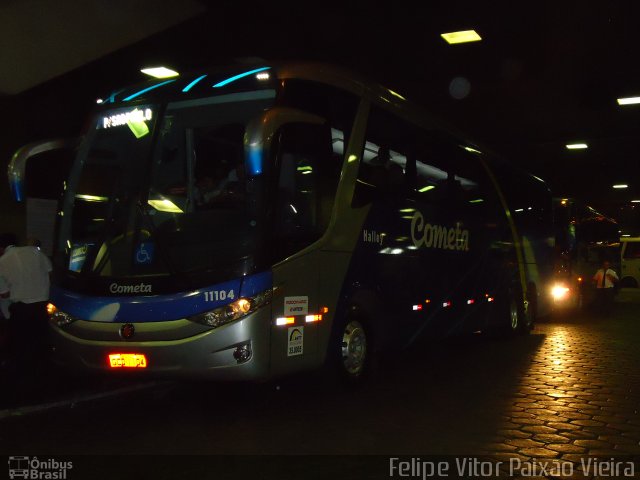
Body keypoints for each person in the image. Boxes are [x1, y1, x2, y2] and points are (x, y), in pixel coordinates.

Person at [0, 233, 53, 376]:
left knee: (20, 340)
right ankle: (42, 370)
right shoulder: (35, 252)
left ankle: (22, 373)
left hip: (22, 308)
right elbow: (49, 272)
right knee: (39, 338)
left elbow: (4, 294)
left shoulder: (2, 262)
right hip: (42, 306)